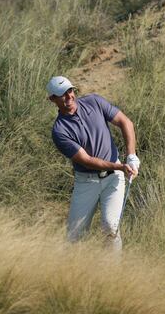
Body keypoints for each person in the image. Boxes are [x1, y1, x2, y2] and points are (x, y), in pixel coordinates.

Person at [47, 75, 140, 251]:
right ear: (52, 99)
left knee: (110, 228)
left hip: (114, 178)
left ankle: (111, 275)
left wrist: (131, 156)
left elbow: (125, 122)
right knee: (74, 237)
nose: (69, 97)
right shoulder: (59, 131)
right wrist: (120, 166)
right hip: (87, 182)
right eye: (62, 95)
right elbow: (88, 161)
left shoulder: (94, 101)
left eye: (70, 91)